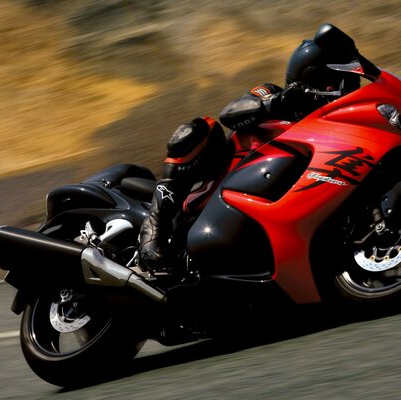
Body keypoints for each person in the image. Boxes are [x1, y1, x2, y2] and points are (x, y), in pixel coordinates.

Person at [138, 23, 364, 275]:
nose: (346, 91)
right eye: (338, 84)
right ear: (312, 77)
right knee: (202, 128)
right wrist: (277, 103)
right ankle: (153, 231)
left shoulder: (333, 128)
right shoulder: (271, 93)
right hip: (216, 186)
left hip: (267, 212)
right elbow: (230, 113)